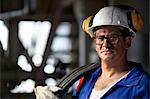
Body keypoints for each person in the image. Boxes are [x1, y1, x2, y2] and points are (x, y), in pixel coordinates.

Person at [34, 5, 149, 99]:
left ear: (127, 42)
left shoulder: (143, 84)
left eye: (113, 37)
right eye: (100, 38)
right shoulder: (87, 79)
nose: (105, 44)